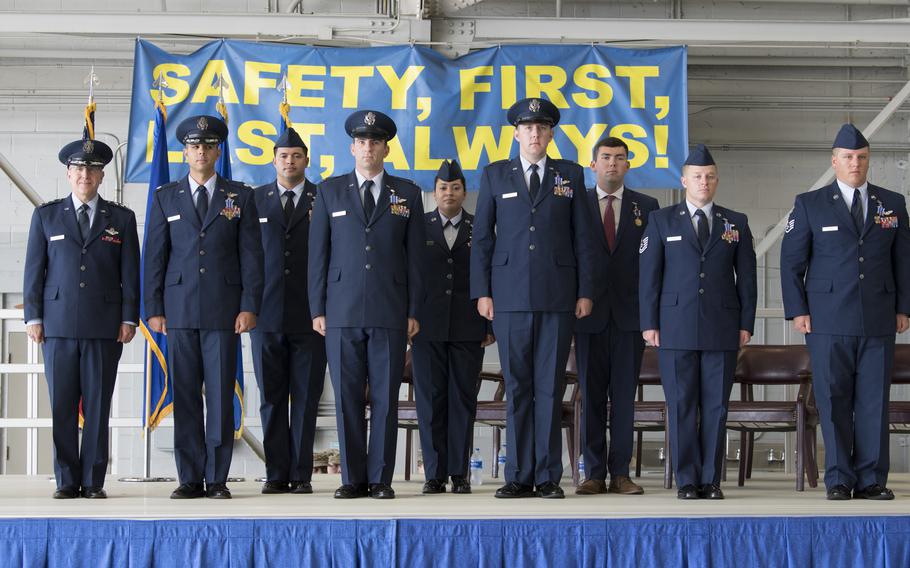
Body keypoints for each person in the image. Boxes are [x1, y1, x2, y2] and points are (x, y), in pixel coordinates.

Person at [470, 97, 595, 499]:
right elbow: (483, 238)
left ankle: (548, 477)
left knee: (549, 387)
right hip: (507, 298)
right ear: (516, 133)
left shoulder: (570, 175)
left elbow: (583, 238)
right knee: (518, 387)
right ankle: (518, 475)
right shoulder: (495, 175)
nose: (535, 134)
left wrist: (585, 291)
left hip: (558, 296)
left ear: (551, 134)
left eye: (542, 128)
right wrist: (482, 292)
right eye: (528, 128)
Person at [780, 124, 910, 501]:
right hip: (826, 319)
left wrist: (904, 307)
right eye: (849, 158)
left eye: (862, 157)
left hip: (878, 317)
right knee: (834, 400)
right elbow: (791, 262)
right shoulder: (809, 203)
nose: (856, 164)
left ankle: (871, 479)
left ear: (869, 160)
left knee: (873, 401)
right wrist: (797, 310)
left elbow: (903, 260)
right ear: (834, 161)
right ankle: (838, 478)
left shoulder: (892, 203)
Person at [143, 114, 264, 499]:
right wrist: (154, 309)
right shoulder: (165, 197)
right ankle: (189, 478)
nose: (201, 151)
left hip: (224, 313)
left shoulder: (240, 196)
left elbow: (252, 257)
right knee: (186, 396)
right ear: (185, 150)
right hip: (178, 313)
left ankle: (217, 479)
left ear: (218, 150)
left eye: (208, 145)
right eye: (195, 145)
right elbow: (155, 257)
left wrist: (249, 306)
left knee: (219, 396)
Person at [308, 109, 425, 500]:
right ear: (352, 147)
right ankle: (352, 479)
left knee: (386, 399)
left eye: (375, 141)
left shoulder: (406, 193)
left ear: (386, 148)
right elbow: (318, 255)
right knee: (346, 398)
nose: (368, 147)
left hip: (390, 309)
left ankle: (380, 479)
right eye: (361, 141)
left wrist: (413, 311)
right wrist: (317, 308)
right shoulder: (329, 190)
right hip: (340, 310)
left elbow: (415, 258)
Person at [639, 144, 757, 500]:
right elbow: (649, 277)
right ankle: (687, 479)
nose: (703, 182)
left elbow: (747, 279)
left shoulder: (736, 222)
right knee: (681, 405)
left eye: (709, 176)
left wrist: (746, 323)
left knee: (717, 406)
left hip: (722, 327)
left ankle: (711, 479)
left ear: (717, 180)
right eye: (696, 177)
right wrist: (649, 322)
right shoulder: (662, 220)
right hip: (674, 326)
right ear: (684, 180)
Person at [24, 138, 140, 499]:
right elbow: (34, 271)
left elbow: (130, 273)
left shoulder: (120, 218)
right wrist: (33, 318)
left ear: (102, 176)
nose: (84, 175)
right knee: (61, 406)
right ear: (68, 174)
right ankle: (65, 479)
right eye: (78, 169)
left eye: (91, 170)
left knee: (97, 405)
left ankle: (92, 481)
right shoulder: (46, 215)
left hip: (104, 326)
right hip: (57, 326)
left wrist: (129, 319)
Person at [574, 137, 659, 496]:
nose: (612, 163)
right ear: (592, 165)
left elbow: (654, 264)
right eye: (605, 157)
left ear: (628, 165)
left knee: (624, 397)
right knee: (591, 395)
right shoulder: (576, 204)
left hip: (629, 316)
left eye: (619, 158)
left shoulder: (648, 206)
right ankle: (593, 472)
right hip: (587, 313)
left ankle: (621, 472)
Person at [411, 159, 495, 495]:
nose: (449, 193)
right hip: (426, 326)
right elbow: (410, 276)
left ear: (465, 192)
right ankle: (434, 473)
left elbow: (492, 277)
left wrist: (491, 325)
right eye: (443, 188)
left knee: (462, 400)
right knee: (430, 401)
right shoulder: (419, 227)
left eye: (456, 188)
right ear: (435, 192)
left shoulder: (480, 228)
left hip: (468, 326)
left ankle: (459, 472)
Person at [251, 127, 326, 495]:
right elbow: (246, 258)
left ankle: (301, 474)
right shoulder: (255, 199)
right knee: (271, 399)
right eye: (283, 156)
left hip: (311, 316)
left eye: (297, 155)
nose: (290, 161)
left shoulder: (323, 197)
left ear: (306, 160)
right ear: (274, 160)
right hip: (264, 314)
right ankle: (275, 472)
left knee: (306, 398)